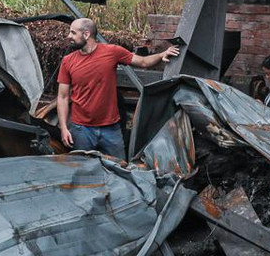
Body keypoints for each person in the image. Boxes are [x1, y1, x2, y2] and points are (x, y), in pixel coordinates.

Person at [56, 18, 180, 157]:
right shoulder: (68, 61)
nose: (69, 36)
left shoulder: (112, 52)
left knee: (120, 170)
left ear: (86, 34)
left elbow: (143, 62)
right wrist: (64, 128)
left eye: (73, 33)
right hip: (81, 129)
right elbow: (62, 96)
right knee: (83, 173)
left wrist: (163, 54)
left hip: (111, 129)